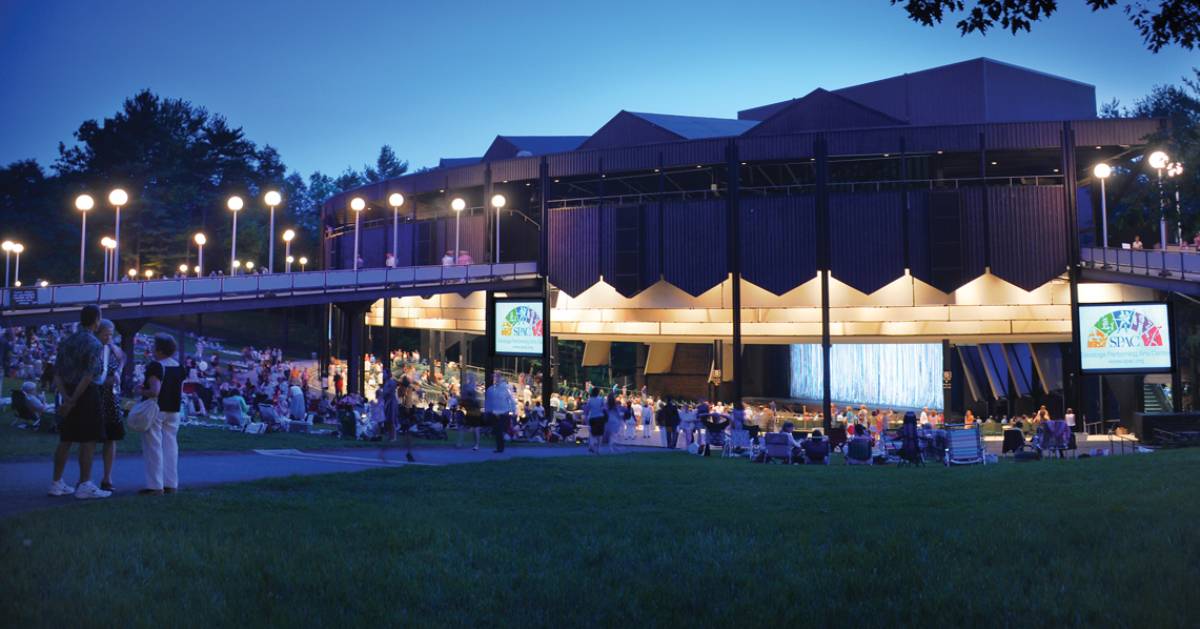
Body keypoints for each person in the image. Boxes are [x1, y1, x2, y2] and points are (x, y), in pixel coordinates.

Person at [48, 305, 111, 499]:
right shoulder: (94, 344)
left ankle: (56, 482)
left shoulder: (67, 341)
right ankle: (85, 484)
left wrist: (66, 399)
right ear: (97, 320)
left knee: (65, 439)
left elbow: (56, 373)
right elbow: (89, 375)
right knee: (88, 439)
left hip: (66, 391)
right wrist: (74, 399)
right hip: (85, 395)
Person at [140, 334, 184, 495]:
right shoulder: (179, 367)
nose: (152, 349)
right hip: (174, 410)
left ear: (159, 350)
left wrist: (141, 390)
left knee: (153, 447)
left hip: (157, 409)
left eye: (154, 346)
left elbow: (154, 391)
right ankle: (171, 483)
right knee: (171, 447)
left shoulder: (156, 366)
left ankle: (155, 485)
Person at [96, 320, 126, 492]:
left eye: (111, 333)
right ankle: (85, 479)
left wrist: (118, 373)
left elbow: (123, 358)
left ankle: (107, 477)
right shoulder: (93, 348)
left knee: (111, 438)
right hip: (96, 396)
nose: (109, 337)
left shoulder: (112, 348)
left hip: (111, 399)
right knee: (90, 438)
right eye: (106, 333)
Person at [484, 373, 515, 453]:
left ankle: (501, 447)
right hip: (494, 413)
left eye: (497, 377)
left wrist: (513, 410)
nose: (495, 379)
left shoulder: (506, 389)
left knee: (500, 430)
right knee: (497, 431)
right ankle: (499, 447)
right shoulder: (490, 389)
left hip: (504, 413)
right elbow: (488, 401)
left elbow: (511, 400)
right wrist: (487, 411)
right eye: (494, 378)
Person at [584, 387, 606, 454]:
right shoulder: (601, 399)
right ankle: (598, 449)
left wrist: (586, 417)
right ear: (598, 393)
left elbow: (587, 409)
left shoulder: (590, 400)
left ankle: (591, 445)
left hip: (592, 417)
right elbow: (604, 408)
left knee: (593, 432)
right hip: (600, 417)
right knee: (600, 434)